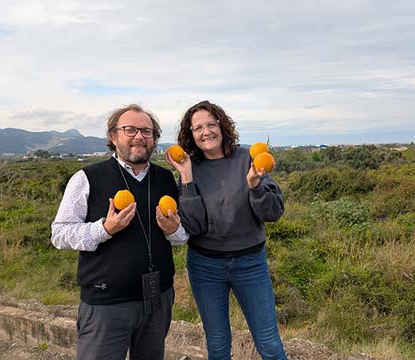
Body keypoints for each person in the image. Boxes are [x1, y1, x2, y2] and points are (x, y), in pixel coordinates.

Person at [51, 104, 187, 360]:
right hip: (106, 303)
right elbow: (59, 234)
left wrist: (174, 230)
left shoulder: (165, 178)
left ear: (155, 139)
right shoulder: (87, 178)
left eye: (147, 131)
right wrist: (104, 229)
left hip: (157, 299)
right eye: (130, 129)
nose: (139, 136)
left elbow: (180, 238)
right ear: (113, 137)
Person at [165, 100, 287, 360]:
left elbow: (274, 212)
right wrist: (186, 177)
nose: (206, 132)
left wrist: (255, 186)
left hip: (250, 264)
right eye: (197, 128)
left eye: (211, 124)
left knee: (270, 344)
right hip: (205, 266)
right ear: (190, 134)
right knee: (218, 346)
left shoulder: (248, 158)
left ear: (222, 126)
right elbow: (194, 226)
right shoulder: (190, 168)